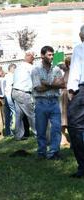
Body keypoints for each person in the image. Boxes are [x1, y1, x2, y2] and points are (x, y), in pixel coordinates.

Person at [31, 46, 65, 160]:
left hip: (54, 102)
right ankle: (42, 152)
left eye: (52, 55)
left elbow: (62, 84)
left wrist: (47, 84)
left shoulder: (56, 69)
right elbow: (38, 88)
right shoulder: (36, 70)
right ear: (42, 55)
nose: (52, 57)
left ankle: (54, 152)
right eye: (49, 55)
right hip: (41, 102)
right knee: (41, 129)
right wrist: (54, 84)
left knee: (56, 129)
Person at [67, 24, 84, 178]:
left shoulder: (79, 48)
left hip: (82, 90)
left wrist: (71, 90)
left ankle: (83, 166)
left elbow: (76, 70)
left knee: (75, 126)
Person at [12, 51, 37, 141]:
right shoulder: (31, 67)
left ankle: (18, 135)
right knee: (32, 114)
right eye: (33, 57)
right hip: (23, 92)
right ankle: (38, 133)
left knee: (19, 115)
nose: (34, 59)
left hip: (15, 91)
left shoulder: (19, 66)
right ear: (30, 57)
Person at [58, 57, 71, 146]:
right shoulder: (68, 71)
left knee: (66, 117)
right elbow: (60, 64)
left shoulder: (68, 71)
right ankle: (63, 139)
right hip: (66, 95)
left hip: (68, 95)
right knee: (64, 118)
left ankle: (65, 138)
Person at [3, 63, 16, 136]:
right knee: (16, 113)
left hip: (6, 95)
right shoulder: (12, 76)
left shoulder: (5, 76)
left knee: (8, 115)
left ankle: (8, 132)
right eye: (15, 68)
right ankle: (18, 130)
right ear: (12, 68)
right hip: (10, 95)